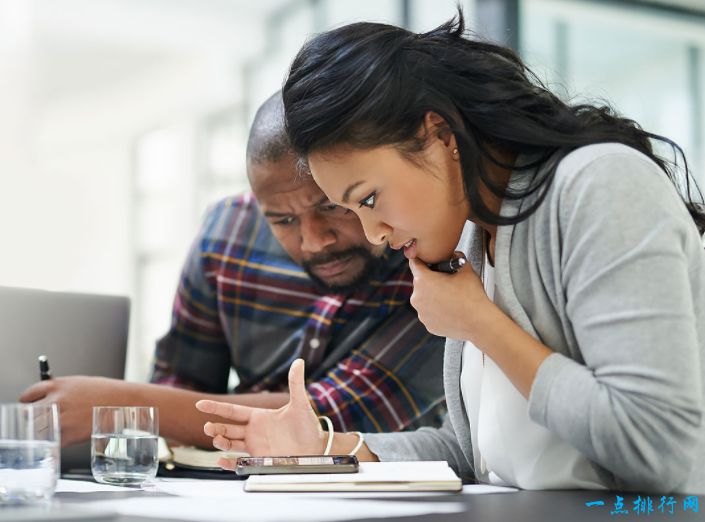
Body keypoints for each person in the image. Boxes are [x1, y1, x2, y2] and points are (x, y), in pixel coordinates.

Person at [195, 13, 705, 495]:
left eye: (369, 199)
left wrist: (482, 325)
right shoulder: (473, 238)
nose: (374, 235)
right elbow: (473, 455)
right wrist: (329, 448)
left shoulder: (599, 185)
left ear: (440, 135)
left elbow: (658, 450)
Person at [19, 93, 446, 448]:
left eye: (331, 206)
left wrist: (113, 405)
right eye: (283, 220)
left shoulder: (432, 258)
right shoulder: (228, 232)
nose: (314, 241)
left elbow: (328, 417)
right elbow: (180, 380)